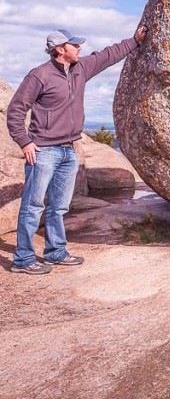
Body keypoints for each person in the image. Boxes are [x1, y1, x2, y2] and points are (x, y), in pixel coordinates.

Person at [6, 25, 147, 274]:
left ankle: (55, 252)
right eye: (75, 45)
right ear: (60, 50)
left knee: (59, 206)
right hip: (43, 152)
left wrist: (135, 41)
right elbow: (16, 110)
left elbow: (108, 55)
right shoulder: (39, 75)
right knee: (33, 206)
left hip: (70, 150)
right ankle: (23, 259)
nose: (80, 47)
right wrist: (25, 142)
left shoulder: (80, 69)